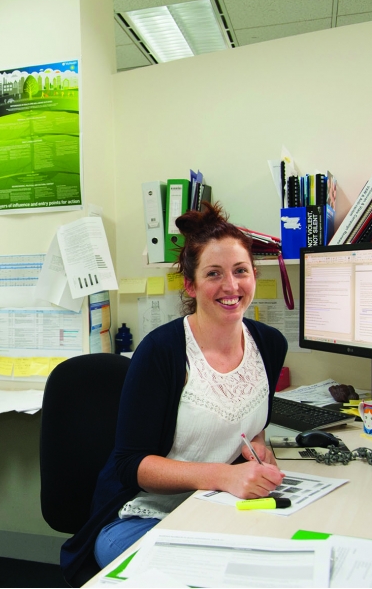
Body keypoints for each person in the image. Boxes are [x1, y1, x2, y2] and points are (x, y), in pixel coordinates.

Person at [60, 202, 288, 585]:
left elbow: (253, 421)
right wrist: (223, 476)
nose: (231, 287)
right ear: (190, 284)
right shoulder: (162, 352)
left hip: (214, 507)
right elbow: (131, 465)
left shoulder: (269, 343)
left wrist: (260, 448)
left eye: (240, 271)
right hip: (139, 517)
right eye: (213, 274)